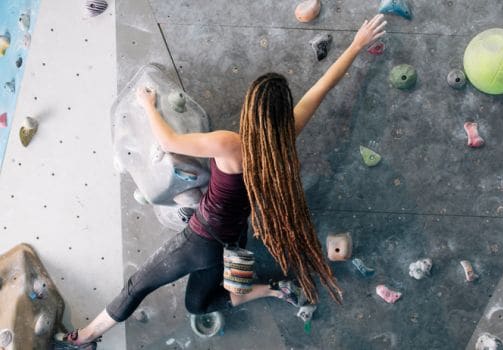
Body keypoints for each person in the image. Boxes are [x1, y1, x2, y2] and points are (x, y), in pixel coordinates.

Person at [55, 14, 387, 349]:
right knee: (195, 306)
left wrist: (149, 105)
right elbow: (322, 87)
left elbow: (169, 142)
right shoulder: (284, 138)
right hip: (232, 239)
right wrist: (357, 45)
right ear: (281, 113)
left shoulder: (230, 144)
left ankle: (84, 337)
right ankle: (277, 289)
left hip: (200, 239)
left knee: (136, 286)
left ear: (251, 110)